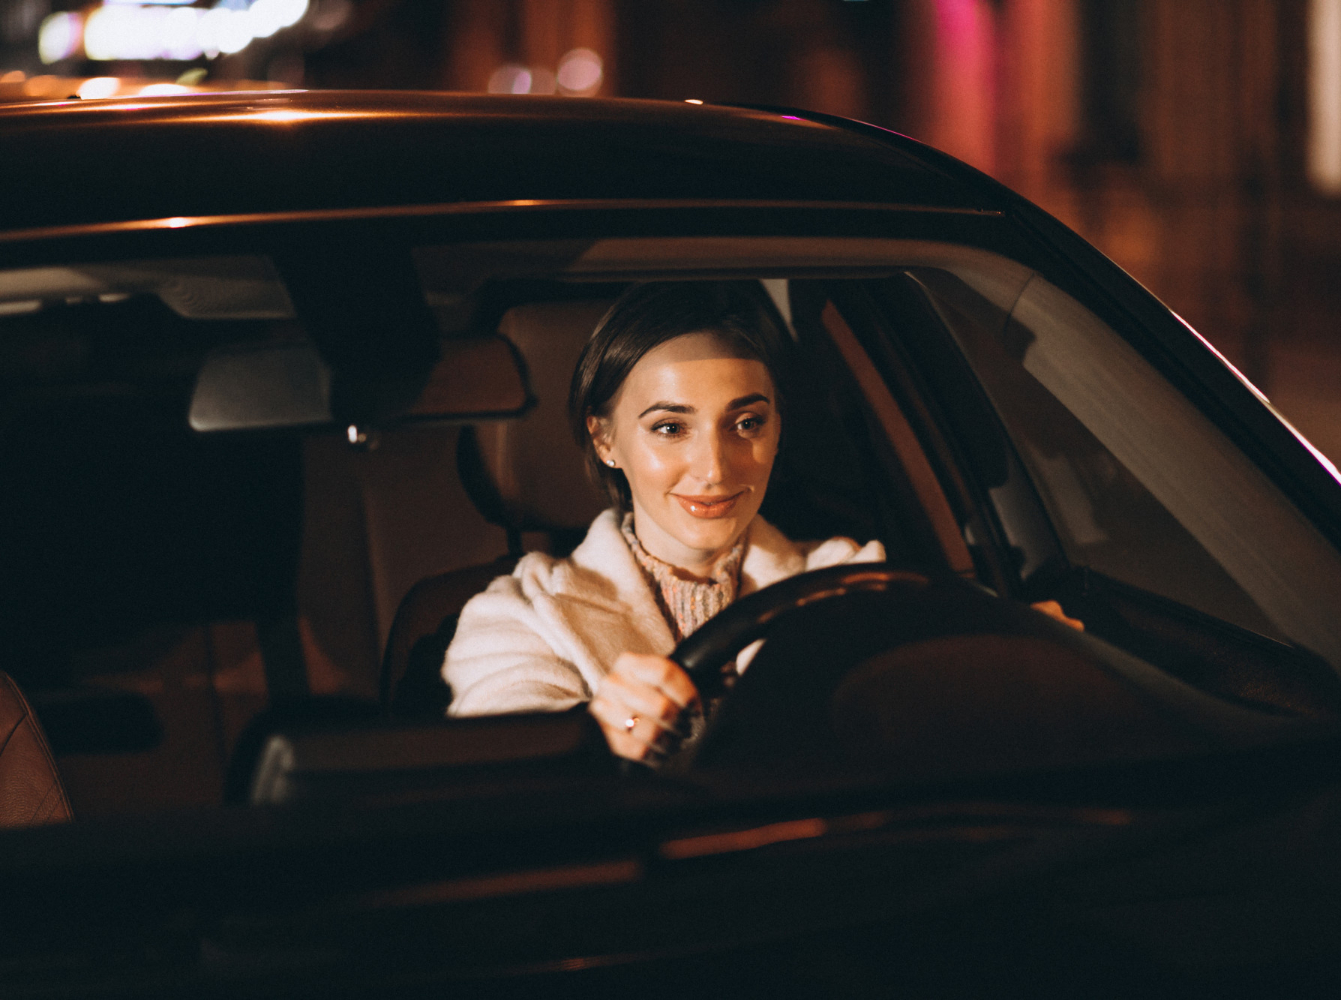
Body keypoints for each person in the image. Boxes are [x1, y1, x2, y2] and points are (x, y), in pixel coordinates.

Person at [442, 281, 1079, 762]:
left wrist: (1015, 662)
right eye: (670, 428)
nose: (716, 469)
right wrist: (591, 735)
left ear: (779, 429)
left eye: (746, 423)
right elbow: (505, 762)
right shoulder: (521, 615)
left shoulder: (851, 580)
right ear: (605, 439)